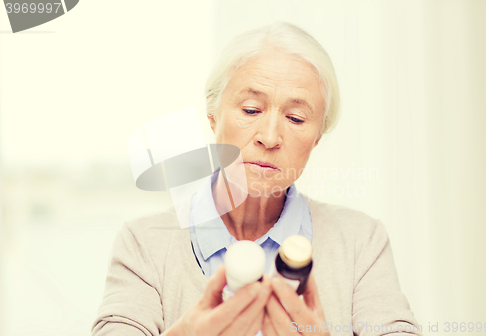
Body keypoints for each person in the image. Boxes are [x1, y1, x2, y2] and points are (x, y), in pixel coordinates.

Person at [91, 22, 422, 336]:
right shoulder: (144, 244)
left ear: (317, 137)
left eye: (295, 118)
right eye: (251, 110)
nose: (270, 136)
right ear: (213, 116)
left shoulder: (360, 242)